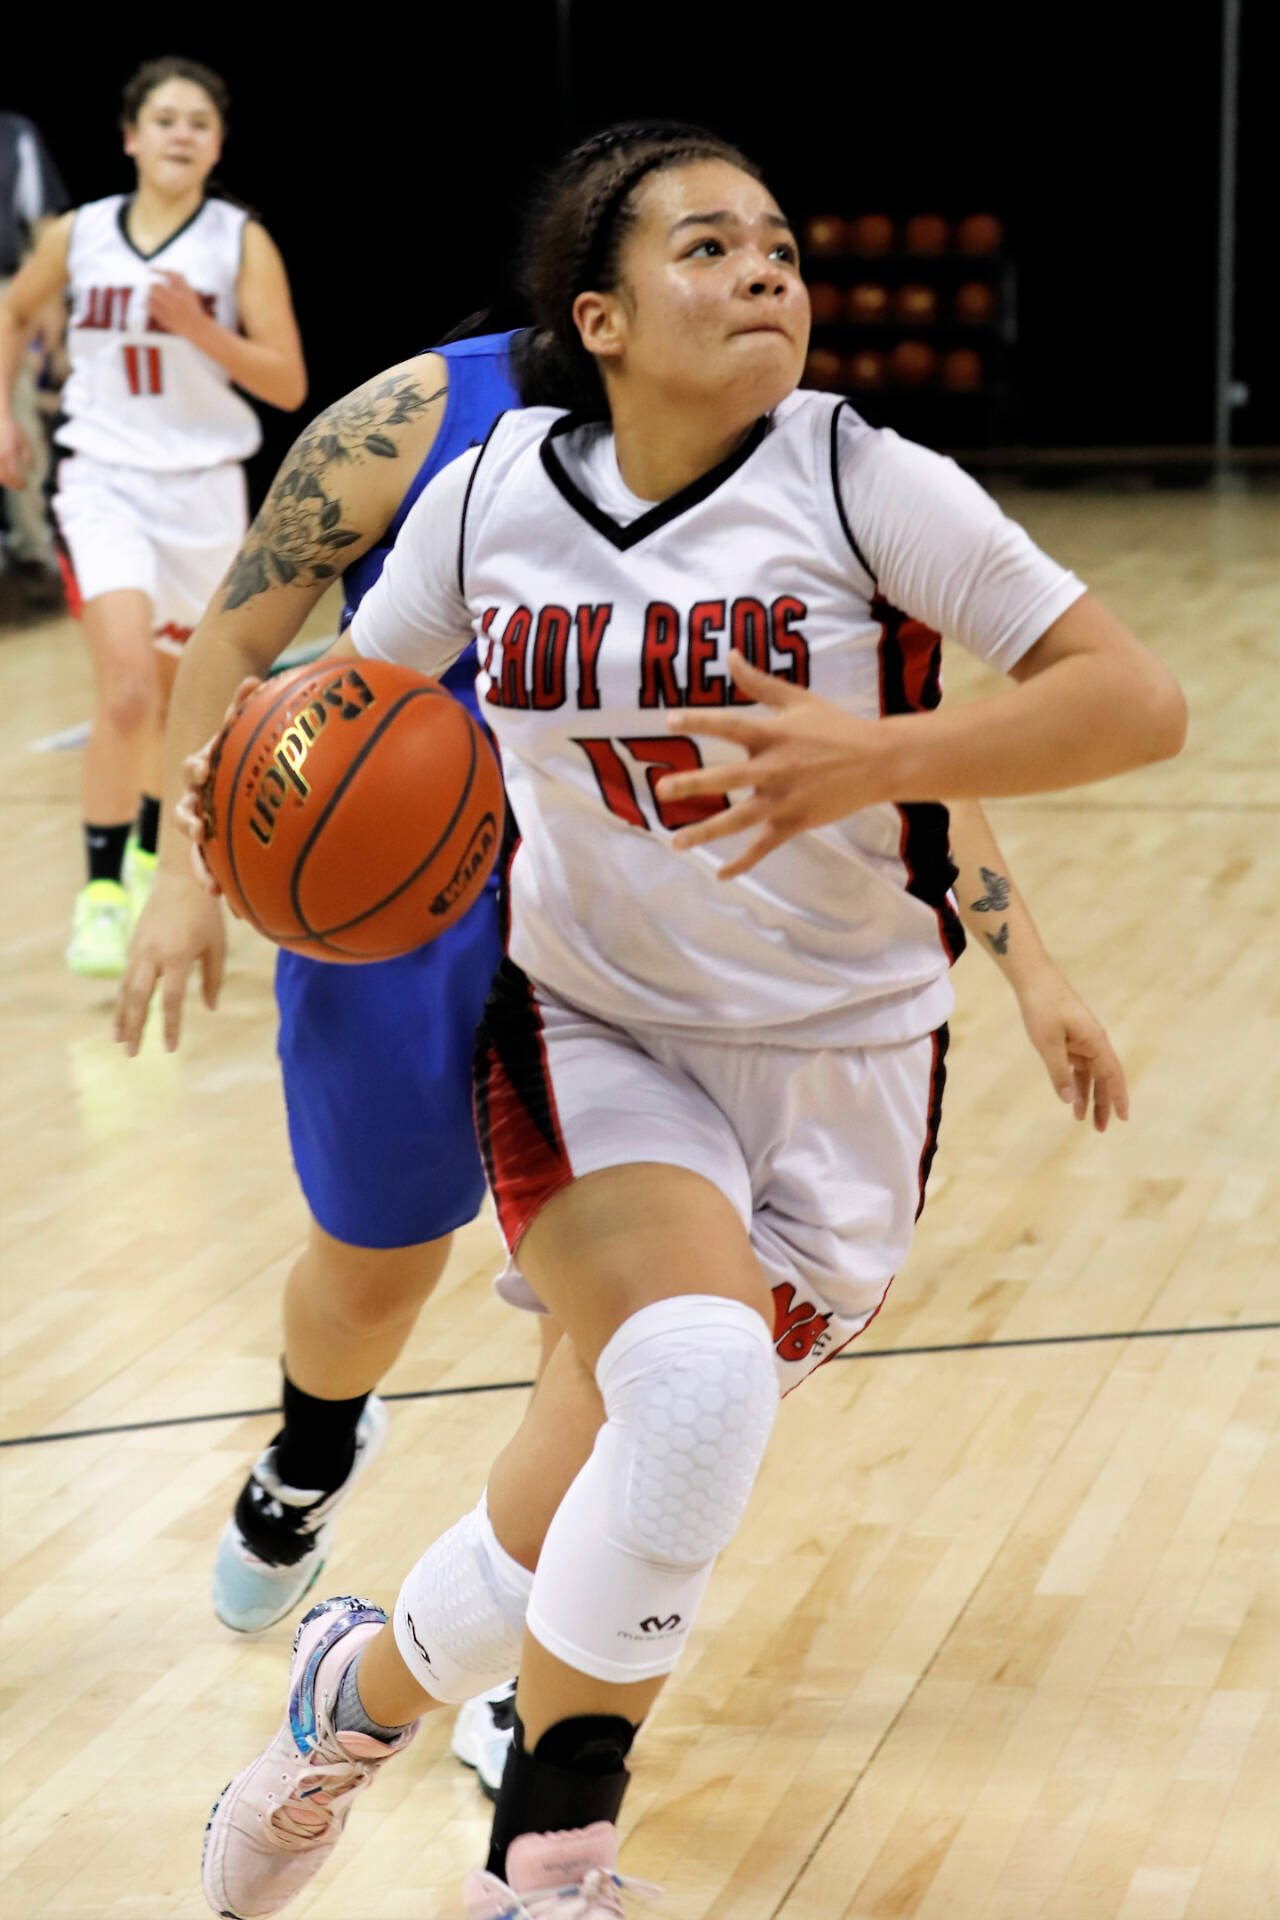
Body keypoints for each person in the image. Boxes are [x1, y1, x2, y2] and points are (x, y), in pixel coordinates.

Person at [190, 117, 1183, 1918]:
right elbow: (346, 700)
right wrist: (234, 819)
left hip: (852, 1069)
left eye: (783, 249)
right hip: (593, 1042)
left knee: (567, 1512)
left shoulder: (868, 481)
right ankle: (550, 1870)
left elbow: (1136, 704)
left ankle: (353, 1700)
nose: (767, 274)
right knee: (697, 1376)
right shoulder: (494, 494)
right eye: (712, 249)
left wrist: (897, 773)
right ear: (605, 315)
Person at [0, 57, 305, 977]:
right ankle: (98, 894)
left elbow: (287, 381)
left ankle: (146, 847)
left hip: (205, 487)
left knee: (178, 705)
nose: (181, 134)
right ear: (131, 136)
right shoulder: (78, 232)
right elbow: (12, 313)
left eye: (199, 122)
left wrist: (202, 332)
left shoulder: (238, 241)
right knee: (127, 687)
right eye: (164, 119)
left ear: (216, 145)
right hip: (103, 477)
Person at [0, 110, 69, 613]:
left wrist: (49, 300)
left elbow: (45, 224)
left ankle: (34, 554)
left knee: (16, 416)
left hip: (6, 290)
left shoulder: (13, 133)